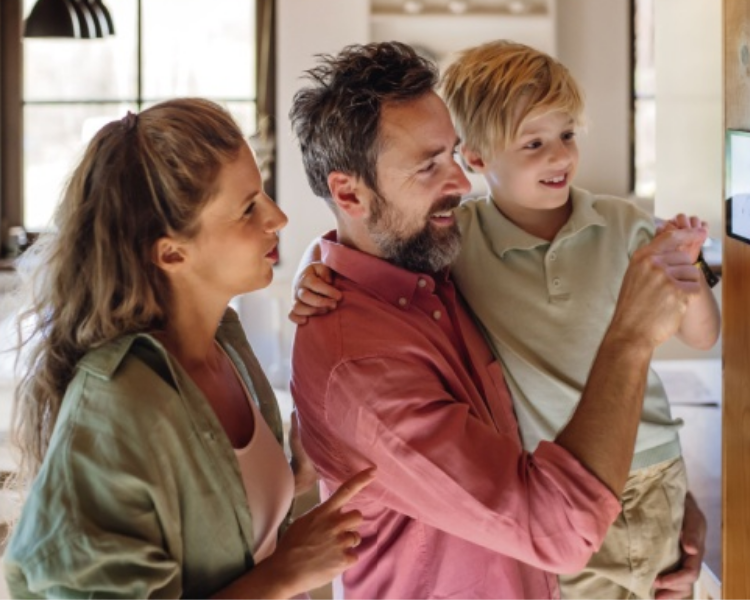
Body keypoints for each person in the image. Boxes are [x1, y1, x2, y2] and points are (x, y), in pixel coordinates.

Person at [287, 41, 709, 599]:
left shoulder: (430, 264)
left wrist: (658, 493)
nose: (462, 183)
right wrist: (630, 337)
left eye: (452, 156)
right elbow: (559, 529)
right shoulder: (363, 363)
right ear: (348, 192)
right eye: (429, 165)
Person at [3, 98, 373, 599]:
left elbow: (227, 530)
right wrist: (286, 572)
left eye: (263, 194)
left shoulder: (227, 348)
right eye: (248, 208)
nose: (278, 217)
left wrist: (295, 473)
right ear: (172, 253)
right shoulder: (114, 406)